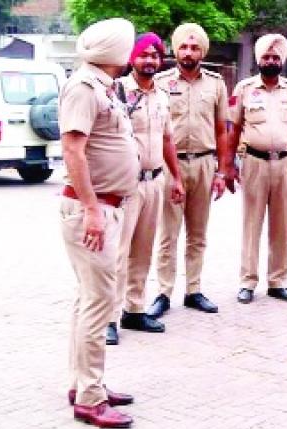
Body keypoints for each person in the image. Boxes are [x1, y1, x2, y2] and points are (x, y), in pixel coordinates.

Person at [58, 17, 137, 428]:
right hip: (94, 210)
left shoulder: (102, 86)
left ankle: (84, 382)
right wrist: (91, 210)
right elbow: (73, 151)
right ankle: (90, 398)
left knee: (89, 298)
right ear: (116, 52)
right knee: (98, 302)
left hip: (108, 207)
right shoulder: (83, 89)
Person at [106, 33, 186, 345]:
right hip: (126, 184)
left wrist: (176, 179)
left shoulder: (163, 96)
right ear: (132, 59)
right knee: (119, 252)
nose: (149, 60)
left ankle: (134, 309)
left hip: (155, 181)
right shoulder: (119, 93)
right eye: (144, 55)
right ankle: (108, 318)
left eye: (155, 55)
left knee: (143, 249)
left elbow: (168, 140)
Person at [147, 23, 230, 319]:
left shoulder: (216, 84)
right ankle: (163, 293)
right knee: (168, 233)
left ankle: (194, 290)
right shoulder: (160, 82)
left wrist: (223, 171)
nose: (189, 52)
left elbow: (222, 130)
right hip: (171, 165)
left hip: (205, 163)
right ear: (175, 50)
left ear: (202, 52)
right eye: (183, 46)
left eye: (195, 47)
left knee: (198, 233)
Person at [226, 33, 287, 304]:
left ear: (281, 61)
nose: (271, 61)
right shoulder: (244, 89)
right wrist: (227, 166)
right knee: (251, 223)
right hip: (254, 162)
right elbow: (234, 129)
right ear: (258, 60)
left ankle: (278, 281)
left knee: (282, 224)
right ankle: (247, 281)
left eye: (276, 57)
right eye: (266, 57)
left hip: (286, 162)